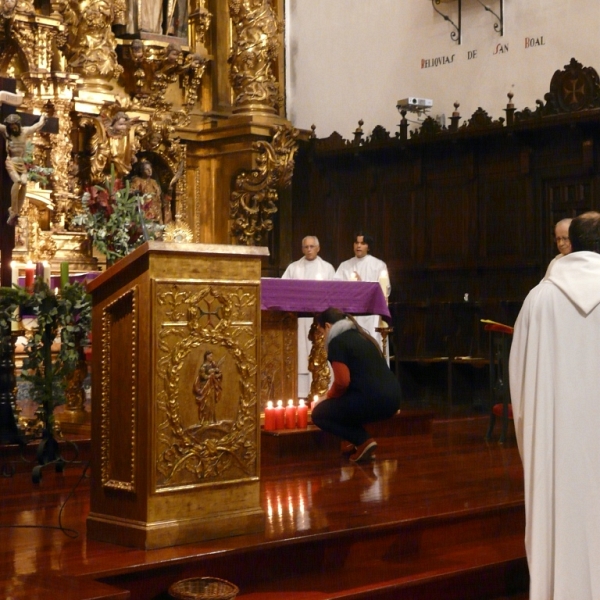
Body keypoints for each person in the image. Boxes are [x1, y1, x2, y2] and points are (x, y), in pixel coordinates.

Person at [509, 211, 600, 600]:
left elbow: (519, 380)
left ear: (572, 243)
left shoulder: (540, 298)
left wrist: (534, 436)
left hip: (556, 443)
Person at [311, 308, 401, 462]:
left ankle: (363, 440)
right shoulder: (361, 337)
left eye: (321, 332)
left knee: (319, 413)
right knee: (347, 402)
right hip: (394, 398)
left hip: (375, 400)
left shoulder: (337, 342)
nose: (322, 337)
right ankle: (356, 442)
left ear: (327, 326)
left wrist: (326, 397)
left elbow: (342, 382)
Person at [282, 236, 335, 398]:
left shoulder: (327, 268)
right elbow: (283, 289)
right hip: (299, 319)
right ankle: (301, 391)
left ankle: (322, 386)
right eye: (306, 247)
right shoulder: (293, 268)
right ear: (302, 249)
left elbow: (334, 291)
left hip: (320, 320)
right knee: (301, 350)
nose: (309, 249)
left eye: (312, 246)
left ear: (318, 248)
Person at [334, 231, 390, 349]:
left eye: (362, 243)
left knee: (370, 345)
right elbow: (336, 288)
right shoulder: (345, 266)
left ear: (368, 246)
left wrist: (361, 286)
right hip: (350, 315)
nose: (358, 246)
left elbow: (385, 290)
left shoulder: (378, 265)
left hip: (370, 315)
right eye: (356, 242)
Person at [0, 112, 46, 226]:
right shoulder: (6, 132)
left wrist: (43, 118)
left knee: (24, 183)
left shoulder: (25, 131)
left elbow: (36, 126)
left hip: (20, 162)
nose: (13, 127)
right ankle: (13, 211)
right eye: (10, 125)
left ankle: (16, 211)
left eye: (14, 125)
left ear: (18, 124)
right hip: (11, 161)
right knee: (17, 181)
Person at [130, 159, 171, 224]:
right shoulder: (137, 181)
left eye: (150, 168)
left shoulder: (154, 182)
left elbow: (160, 196)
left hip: (157, 212)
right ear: (142, 171)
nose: (149, 171)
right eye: (147, 169)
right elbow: (132, 192)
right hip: (145, 213)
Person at [193, 351, 223, 425]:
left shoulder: (213, 365)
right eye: (210, 356)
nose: (211, 358)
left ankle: (212, 419)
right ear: (206, 357)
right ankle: (205, 420)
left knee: (212, 403)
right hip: (205, 387)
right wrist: (210, 375)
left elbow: (218, 374)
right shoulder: (203, 366)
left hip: (211, 386)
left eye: (212, 356)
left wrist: (217, 372)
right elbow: (202, 376)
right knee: (206, 403)